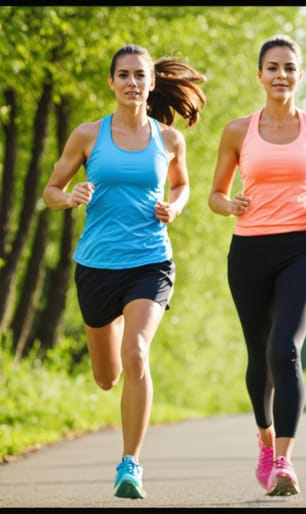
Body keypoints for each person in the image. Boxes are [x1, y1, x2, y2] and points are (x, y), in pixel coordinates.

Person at [42, 44, 206, 499]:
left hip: (150, 261)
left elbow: (182, 183)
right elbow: (50, 191)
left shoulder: (169, 140)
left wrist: (175, 205)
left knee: (136, 354)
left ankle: (130, 463)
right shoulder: (88, 136)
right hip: (96, 265)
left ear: (152, 84)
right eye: (124, 75)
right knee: (107, 376)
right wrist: (69, 196)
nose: (133, 82)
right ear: (112, 83)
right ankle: (123, 432)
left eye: (141, 75)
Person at [207, 34, 306, 497]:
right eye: (272, 67)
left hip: (304, 248)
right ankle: (264, 440)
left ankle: (284, 462)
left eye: (289, 68)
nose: (281, 75)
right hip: (249, 252)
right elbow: (214, 195)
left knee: (285, 349)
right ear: (259, 75)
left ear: (300, 75)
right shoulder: (238, 131)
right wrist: (230, 205)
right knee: (259, 356)